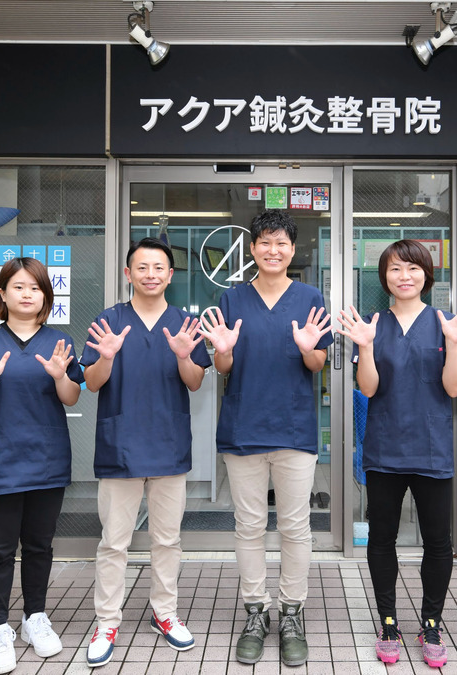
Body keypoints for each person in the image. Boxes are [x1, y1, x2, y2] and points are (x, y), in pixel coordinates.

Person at [336, 239, 457, 668]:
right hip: (384, 449)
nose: (404, 276)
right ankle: (387, 620)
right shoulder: (374, 325)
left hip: (433, 451)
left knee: (438, 542)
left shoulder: (445, 324)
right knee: (382, 539)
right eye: (395, 269)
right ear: (384, 277)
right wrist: (364, 346)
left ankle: (432, 621)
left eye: (413, 268)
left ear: (426, 274)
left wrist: (453, 344)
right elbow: (368, 388)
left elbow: (455, 388)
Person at [198, 211, 332, 667]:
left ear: (292, 250)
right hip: (243, 428)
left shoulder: (311, 298)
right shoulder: (231, 299)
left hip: (295, 429)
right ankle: (256, 612)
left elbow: (317, 367)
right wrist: (223, 351)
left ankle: (292, 612)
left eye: (281, 243)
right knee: (249, 526)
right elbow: (222, 369)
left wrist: (309, 348)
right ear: (252, 249)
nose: (273, 250)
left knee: (295, 527)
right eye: (264, 242)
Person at [80, 237, 212, 668]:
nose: (151, 274)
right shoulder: (109, 320)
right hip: (120, 446)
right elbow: (93, 383)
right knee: (113, 542)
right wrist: (106, 358)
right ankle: (106, 622)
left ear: (171, 275)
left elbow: (195, 382)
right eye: (142, 267)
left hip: (169, 445)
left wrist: (183, 357)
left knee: (167, 540)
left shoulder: (184, 323)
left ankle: (165, 613)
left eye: (159, 267)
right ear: (128, 273)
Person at [0, 257, 84, 675]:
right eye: (19, 287)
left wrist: (61, 375)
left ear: (46, 295)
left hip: (47, 459)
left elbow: (72, 397)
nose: (28, 294)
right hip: (1, 461)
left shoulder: (58, 341)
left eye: (36, 288)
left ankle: (35, 618)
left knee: (40, 546)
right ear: (3, 293)